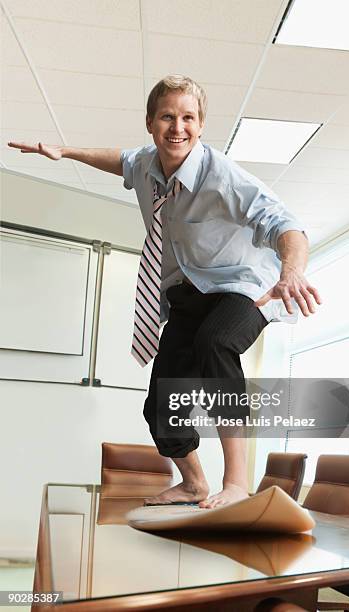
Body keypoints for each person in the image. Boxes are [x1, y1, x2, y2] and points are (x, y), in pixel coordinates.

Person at [8, 75, 321, 509]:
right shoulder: (146, 164)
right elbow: (118, 159)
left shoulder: (222, 176)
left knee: (217, 342)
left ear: (201, 124)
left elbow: (287, 225)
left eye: (188, 118)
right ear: (151, 123)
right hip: (187, 294)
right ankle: (194, 483)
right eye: (168, 117)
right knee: (160, 406)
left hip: (244, 288)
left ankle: (236, 482)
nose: (178, 127)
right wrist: (67, 153)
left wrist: (292, 272)